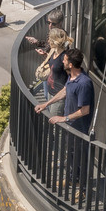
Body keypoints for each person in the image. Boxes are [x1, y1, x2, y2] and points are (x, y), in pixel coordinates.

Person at [35, 48, 94, 189]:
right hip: (71, 126)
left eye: (65, 60)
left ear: (71, 64)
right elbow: (65, 91)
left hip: (79, 128)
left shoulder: (83, 83)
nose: (62, 60)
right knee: (72, 155)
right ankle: (72, 180)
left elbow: (85, 110)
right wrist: (46, 104)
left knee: (80, 158)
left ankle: (82, 188)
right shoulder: (72, 77)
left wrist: (64, 118)